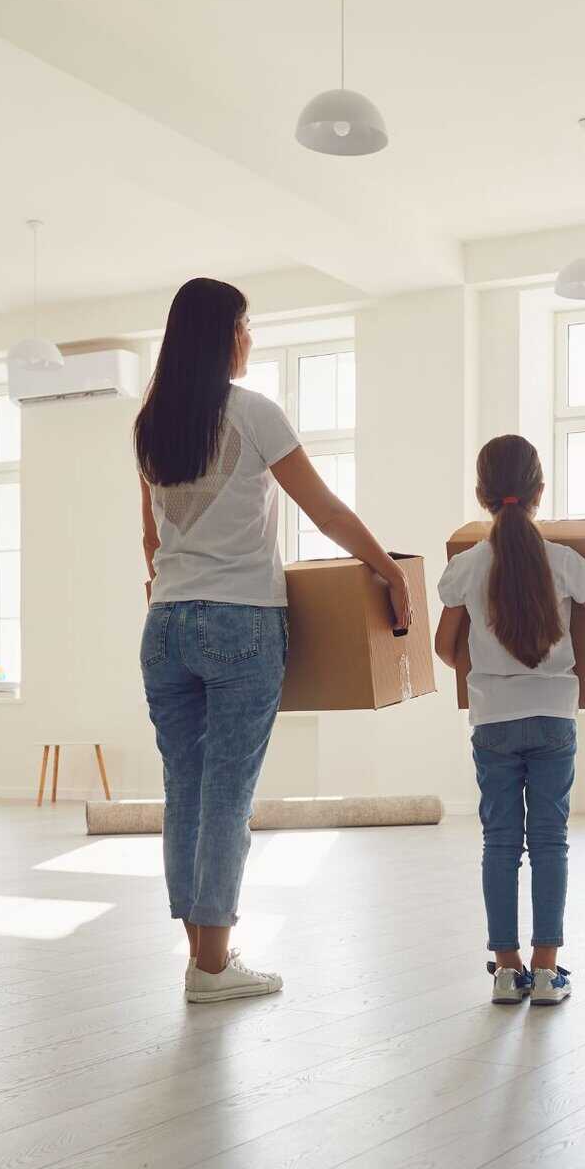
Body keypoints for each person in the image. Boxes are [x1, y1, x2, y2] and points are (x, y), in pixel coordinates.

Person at [135, 277, 411, 1004]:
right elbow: (322, 511)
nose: (250, 336)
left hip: (164, 625)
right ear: (223, 333)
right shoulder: (253, 413)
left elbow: (149, 538)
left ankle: (204, 961)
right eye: (247, 324)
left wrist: (172, 588)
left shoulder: (151, 423)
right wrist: (387, 570)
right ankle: (214, 967)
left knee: (184, 793)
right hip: (240, 623)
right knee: (226, 796)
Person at [433, 435, 585, 1006]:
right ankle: (548, 970)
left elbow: (443, 647)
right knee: (550, 841)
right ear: (540, 492)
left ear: (482, 494)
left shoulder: (465, 567)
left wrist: (483, 673)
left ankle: (507, 971)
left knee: (500, 843)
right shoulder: (564, 562)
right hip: (555, 716)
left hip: (493, 722)